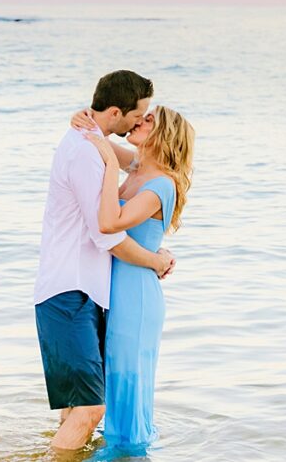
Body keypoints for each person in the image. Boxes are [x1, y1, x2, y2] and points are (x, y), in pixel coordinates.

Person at [33, 70, 176, 452]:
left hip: (85, 290)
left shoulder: (94, 144)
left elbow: (137, 167)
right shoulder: (88, 152)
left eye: (147, 118)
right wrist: (156, 261)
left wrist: (90, 125)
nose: (139, 121)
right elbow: (107, 234)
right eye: (137, 114)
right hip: (71, 290)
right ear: (115, 112)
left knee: (76, 407)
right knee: (91, 409)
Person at [74, 104, 195, 452]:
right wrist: (82, 120)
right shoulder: (139, 167)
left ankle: (127, 452)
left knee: (129, 377)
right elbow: (95, 136)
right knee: (114, 376)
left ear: (164, 135)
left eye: (149, 120)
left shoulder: (161, 184)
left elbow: (110, 222)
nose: (139, 121)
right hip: (116, 289)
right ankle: (116, 447)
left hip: (136, 294)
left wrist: (110, 166)